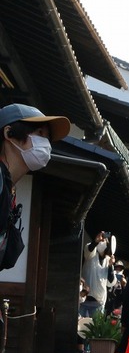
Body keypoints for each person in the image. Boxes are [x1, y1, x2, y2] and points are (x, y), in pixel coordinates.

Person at [0, 104, 69, 272]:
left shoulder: (8, 187)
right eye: (39, 133)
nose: (45, 144)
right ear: (9, 133)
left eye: (47, 138)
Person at [82, 230, 116, 316]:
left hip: (99, 302)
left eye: (104, 240)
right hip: (83, 299)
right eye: (101, 239)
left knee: (95, 328)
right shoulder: (91, 255)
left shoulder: (108, 260)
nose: (102, 241)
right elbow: (88, 250)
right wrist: (95, 241)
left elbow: (110, 282)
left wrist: (110, 266)